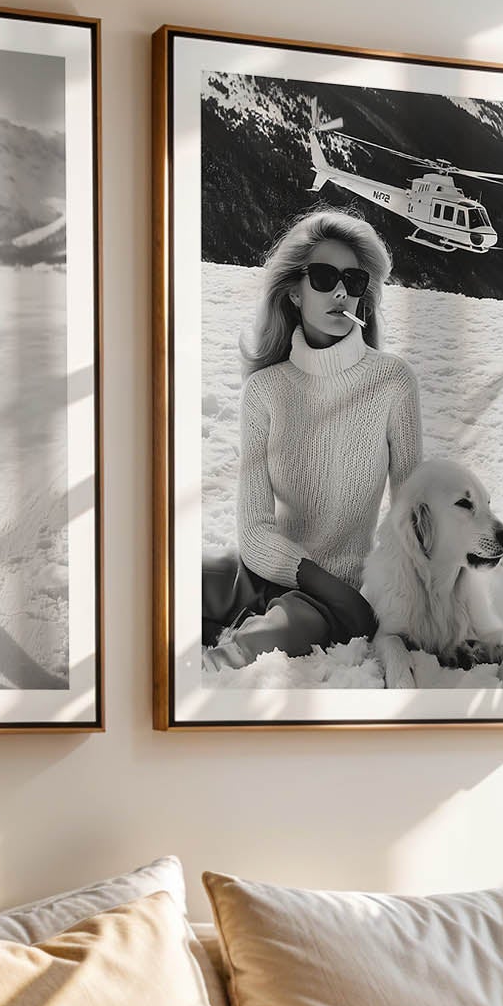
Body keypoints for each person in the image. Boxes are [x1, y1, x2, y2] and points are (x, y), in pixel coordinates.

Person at [203, 210, 424, 669]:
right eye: (323, 277)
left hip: (334, 600)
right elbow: (254, 529)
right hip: (264, 572)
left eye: (354, 280)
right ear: (293, 291)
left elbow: (415, 517)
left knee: (262, 643)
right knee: (151, 585)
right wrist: (311, 574)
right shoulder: (265, 390)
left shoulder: (393, 382)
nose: (341, 292)